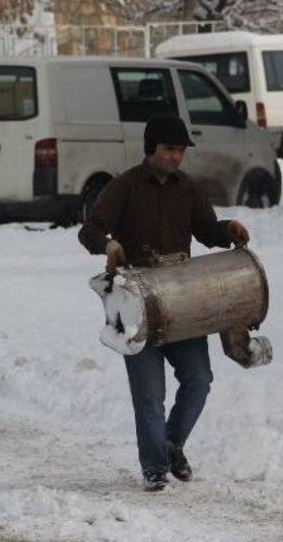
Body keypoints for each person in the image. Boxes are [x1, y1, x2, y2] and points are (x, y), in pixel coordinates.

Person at [78, 114, 250, 492]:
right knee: (149, 395)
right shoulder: (123, 187)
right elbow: (89, 229)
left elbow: (207, 231)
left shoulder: (187, 188)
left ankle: (171, 444)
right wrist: (109, 245)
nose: (177, 157)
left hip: (183, 301)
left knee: (199, 380)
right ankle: (154, 467)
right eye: (170, 149)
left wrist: (228, 230)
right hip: (135, 301)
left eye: (181, 150)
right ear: (151, 148)